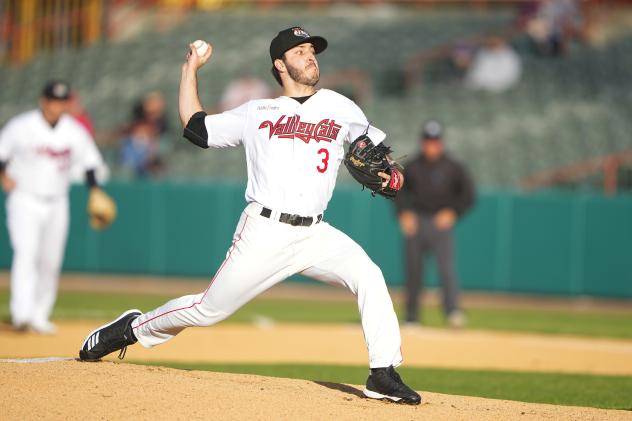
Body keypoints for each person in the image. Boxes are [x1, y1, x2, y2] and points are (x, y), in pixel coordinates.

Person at [78, 26, 421, 405]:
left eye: (312, 50)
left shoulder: (342, 107)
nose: (310, 56)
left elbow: (377, 155)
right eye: (300, 51)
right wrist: (190, 69)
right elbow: (196, 128)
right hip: (265, 231)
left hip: (315, 233)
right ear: (280, 64)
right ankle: (131, 328)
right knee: (207, 310)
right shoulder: (258, 111)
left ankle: (382, 373)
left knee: (369, 275)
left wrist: (392, 174)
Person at [0, 80, 112, 334]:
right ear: (43, 100)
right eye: (53, 100)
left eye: (62, 101)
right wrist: (3, 175)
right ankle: (21, 314)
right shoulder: (21, 126)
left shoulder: (74, 131)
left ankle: (40, 315)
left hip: (57, 201)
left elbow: (90, 163)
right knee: (25, 254)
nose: (57, 106)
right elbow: (2, 152)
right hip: (24, 198)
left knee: (51, 260)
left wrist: (95, 191)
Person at [395, 120, 475, 328]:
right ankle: (412, 316)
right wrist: (404, 213)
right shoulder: (412, 166)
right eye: (428, 141)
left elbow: (467, 195)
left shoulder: (453, 167)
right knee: (413, 271)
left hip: (440, 225)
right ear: (423, 142)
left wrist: (453, 212)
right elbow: (398, 192)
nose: (431, 145)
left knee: (446, 270)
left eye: (435, 141)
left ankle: (453, 311)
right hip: (417, 222)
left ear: (441, 143)